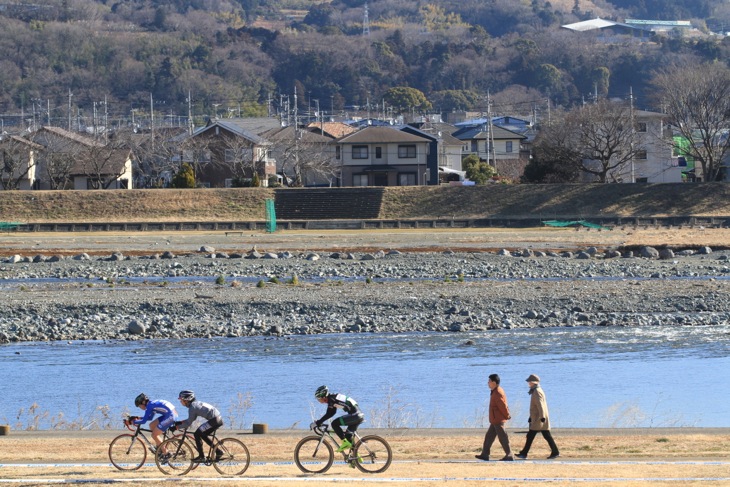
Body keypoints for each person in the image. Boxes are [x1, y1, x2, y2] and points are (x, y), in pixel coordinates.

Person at [516, 374, 560, 460]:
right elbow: (537, 406)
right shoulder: (536, 390)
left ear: (533, 382)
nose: (528, 383)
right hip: (538, 417)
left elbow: (540, 405)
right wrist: (530, 417)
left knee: (531, 436)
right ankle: (555, 452)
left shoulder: (537, 391)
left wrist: (542, 417)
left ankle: (524, 453)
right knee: (545, 435)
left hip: (538, 418)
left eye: (529, 382)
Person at [175, 390, 224, 463]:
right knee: (202, 435)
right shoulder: (195, 404)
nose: (180, 402)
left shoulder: (192, 407)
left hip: (214, 420)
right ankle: (218, 451)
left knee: (197, 434)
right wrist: (179, 423)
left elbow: (188, 423)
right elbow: (190, 420)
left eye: (181, 400)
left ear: (187, 399)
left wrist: (176, 427)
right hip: (217, 419)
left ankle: (202, 456)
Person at [311, 385, 364, 453]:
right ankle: (356, 459)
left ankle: (344, 442)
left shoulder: (332, 399)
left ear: (323, 396)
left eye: (318, 398)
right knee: (348, 436)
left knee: (334, 424)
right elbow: (331, 413)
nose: (318, 400)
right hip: (358, 415)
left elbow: (329, 414)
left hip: (355, 415)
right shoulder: (332, 399)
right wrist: (319, 422)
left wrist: (318, 423)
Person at [475, 373, 514, 461]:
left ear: (494, 382)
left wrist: (507, 415)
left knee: (503, 438)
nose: (487, 383)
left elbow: (503, 406)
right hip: (494, 420)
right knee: (489, 437)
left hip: (498, 420)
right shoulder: (494, 391)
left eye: (489, 381)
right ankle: (485, 454)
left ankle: (509, 454)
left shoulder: (498, 393)